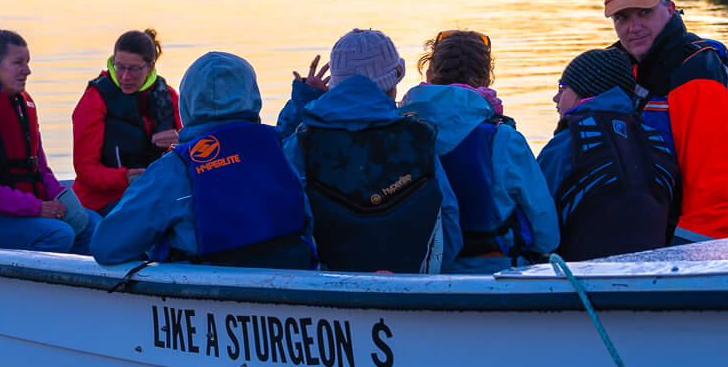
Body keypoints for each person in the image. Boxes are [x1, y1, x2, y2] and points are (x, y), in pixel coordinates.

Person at [91, 52, 315, 268]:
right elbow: (293, 131)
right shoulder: (284, 147)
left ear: (187, 103)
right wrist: (305, 98)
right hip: (294, 276)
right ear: (253, 96)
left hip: (206, 289)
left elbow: (107, 247)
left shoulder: (173, 169)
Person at [279, 28, 461, 273]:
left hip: (329, 290)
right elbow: (448, 220)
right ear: (395, 79)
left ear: (335, 84)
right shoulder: (420, 137)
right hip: (411, 284)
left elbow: (286, 221)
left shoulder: (301, 142)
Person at [603, 0, 728, 243]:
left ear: (670, 9)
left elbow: (715, 191)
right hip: (636, 224)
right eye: (622, 17)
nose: (633, 27)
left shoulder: (699, 73)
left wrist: (687, 252)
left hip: (684, 233)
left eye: (644, 13)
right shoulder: (613, 67)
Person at [398, 29, 558, 272]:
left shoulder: (398, 131)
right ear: (486, 79)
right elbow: (546, 232)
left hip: (417, 266)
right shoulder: (504, 138)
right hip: (491, 267)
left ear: (429, 74)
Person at [0, 29, 99, 252]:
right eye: (18, 63)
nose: (28, 70)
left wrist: (64, 199)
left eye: (28, 62)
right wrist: (37, 208)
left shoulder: (21, 105)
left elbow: (39, 168)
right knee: (58, 234)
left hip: (12, 206)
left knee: (92, 225)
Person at [538, 45, 677, 260]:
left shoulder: (566, 144)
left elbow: (538, 220)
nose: (555, 98)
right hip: (651, 271)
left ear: (584, 93)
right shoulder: (655, 140)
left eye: (563, 87)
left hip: (582, 277)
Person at [71, 28, 182, 214]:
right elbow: (85, 169)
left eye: (134, 69)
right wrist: (126, 177)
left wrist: (180, 142)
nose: (125, 77)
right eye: (119, 66)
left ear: (151, 66)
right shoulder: (94, 99)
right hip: (103, 200)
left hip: (154, 194)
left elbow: (193, 152)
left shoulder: (169, 97)